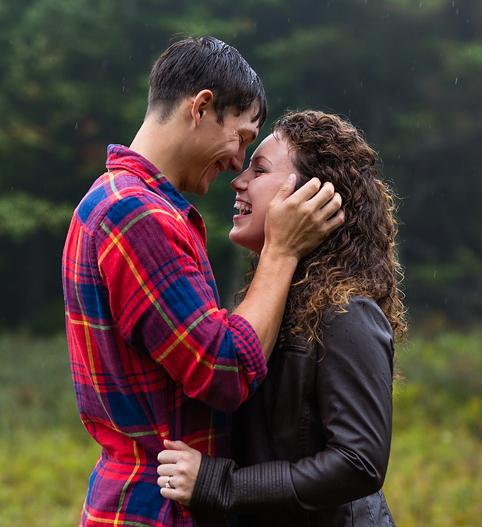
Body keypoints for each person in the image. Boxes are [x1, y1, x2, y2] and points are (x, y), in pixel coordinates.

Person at [62, 37, 344, 527]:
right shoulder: (135, 214)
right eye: (241, 136)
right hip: (158, 510)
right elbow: (224, 369)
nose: (237, 162)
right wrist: (281, 250)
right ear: (203, 107)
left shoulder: (116, 200)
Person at [156, 109, 408, 526]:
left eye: (260, 170)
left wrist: (222, 485)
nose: (237, 180)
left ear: (311, 197)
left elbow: (359, 462)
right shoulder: (278, 302)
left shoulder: (347, 312)